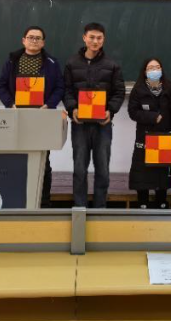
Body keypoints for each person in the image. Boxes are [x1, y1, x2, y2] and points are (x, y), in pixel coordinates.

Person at [0, 25, 64, 207]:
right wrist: (10, 104)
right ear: (23, 40)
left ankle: (44, 202)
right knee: (16, 160)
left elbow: (60, 87)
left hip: (42, 118)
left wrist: (48, 105)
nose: (34, 41)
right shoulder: (12, 61)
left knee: (43, 161)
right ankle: (15, 200)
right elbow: (1, 85)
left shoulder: (52, 63)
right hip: (17, 117)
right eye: (31, 37)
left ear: (43, 43)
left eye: (38, 38)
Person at [63, 23, 125, 208]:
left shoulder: (112, 65)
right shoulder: (71, 63)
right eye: (91, 37)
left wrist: (110, 110)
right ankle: (80, 208)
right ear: (84, 38)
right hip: (80, 124)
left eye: (99, 38)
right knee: (79, 169)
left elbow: (119, 92)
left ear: (103, 40)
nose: (95, 41)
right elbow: (66, 90)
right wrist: (72, 108)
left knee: (103, 169)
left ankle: (100, 209)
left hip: (102, 124)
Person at [128, 58, 171, 209]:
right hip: (145, 137)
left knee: (161, 171)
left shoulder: (170, 89)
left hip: (165, 137)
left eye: (157, 67)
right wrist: (153, 117)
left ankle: (161, 200)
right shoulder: (138, 89)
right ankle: (142, 201)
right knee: (142, 171)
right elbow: (132, 112)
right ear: (145, 71)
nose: (154, 70)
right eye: (150, 68)